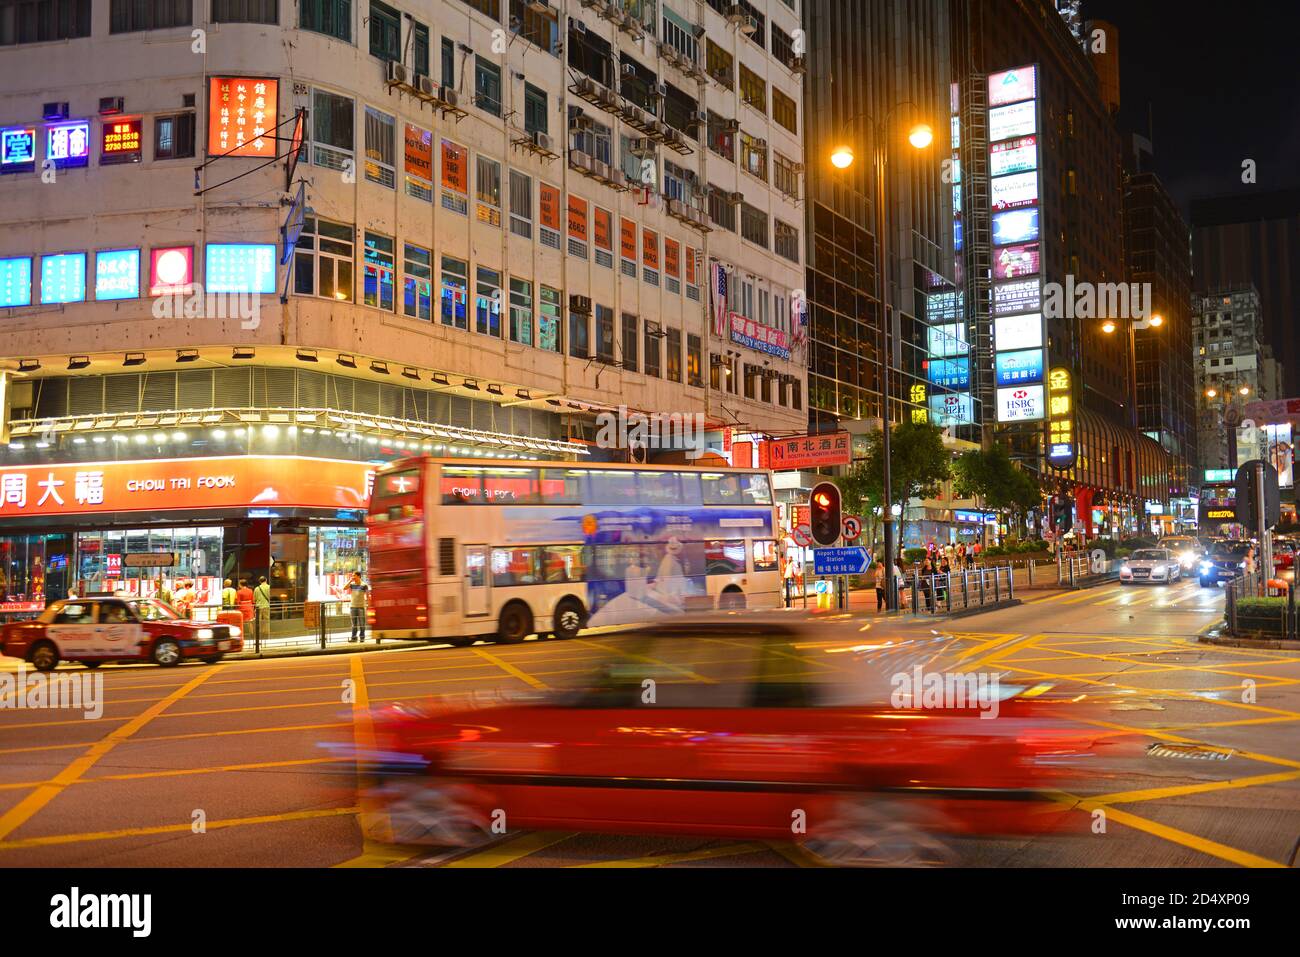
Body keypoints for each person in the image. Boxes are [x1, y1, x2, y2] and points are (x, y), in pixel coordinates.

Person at [347, 571, 369, 642]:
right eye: (352, 575)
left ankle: (362, 637)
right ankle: (354, 638)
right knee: (354, 624)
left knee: (362, 623)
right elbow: (344, 588)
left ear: (359, 576)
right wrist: (350, 580)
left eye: (354, 575)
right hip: (352, 606)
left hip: (361, 607)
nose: (353, 577)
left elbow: (367, 595)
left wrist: (368, 604)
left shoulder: (364, 585)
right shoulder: (352, 584)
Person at [254, 576, 272, 640]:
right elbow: (270, 597)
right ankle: (266, 634)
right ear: (266, 580)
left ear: (259, 581)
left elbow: (254, 599)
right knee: (266, 620)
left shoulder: (256, 588)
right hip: (266, 606)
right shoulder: (269, 587)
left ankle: (258, 634)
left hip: (258, 607)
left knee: (258, 621)